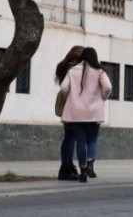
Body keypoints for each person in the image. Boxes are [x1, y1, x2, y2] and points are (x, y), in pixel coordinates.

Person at [59, 47, 111, 183]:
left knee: (80, 140)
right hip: (94, 112)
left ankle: (82, 172)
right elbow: (107, 87)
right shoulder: (100, 71)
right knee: (92, 140)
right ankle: (90, 164)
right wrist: (102, 98)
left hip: (76, 112)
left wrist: (72, 97)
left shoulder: (73, 70)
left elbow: (64, 88)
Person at [55, 45, 84, 181]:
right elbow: (66, 88)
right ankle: (65, 168)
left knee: (70, 137)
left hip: (68, 105)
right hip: (72, 106)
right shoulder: (73, 70)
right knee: (70, 138)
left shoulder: (64, 67)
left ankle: (68, 166)